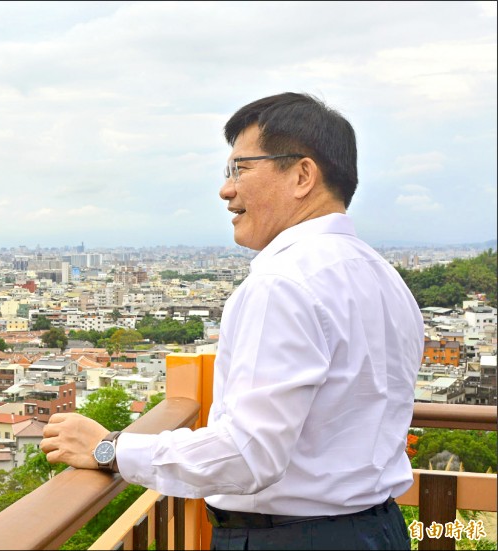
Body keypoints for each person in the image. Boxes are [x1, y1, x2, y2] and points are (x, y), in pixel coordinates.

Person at [40, 92, 424, 550]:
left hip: (293, 540)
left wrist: (111, 449)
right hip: (378, 530)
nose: (226, 190)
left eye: (241, 169)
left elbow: (249, 454)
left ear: (302, 174)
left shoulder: (283, 281)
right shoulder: (383, 276)